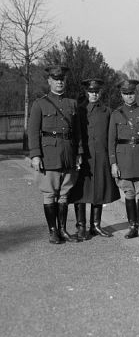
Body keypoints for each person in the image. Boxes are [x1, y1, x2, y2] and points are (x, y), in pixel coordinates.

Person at [27, 65, 83, 244]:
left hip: (68, 153)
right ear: (49, 81)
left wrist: (79, 153)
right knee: (50, 193)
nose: (59, 82)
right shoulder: (39, 104)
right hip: (48, 155)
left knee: (64, 193)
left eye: (62, 79)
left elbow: (78, 132)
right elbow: (33, 131)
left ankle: (63, 229)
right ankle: (53, 231)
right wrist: (35, 155)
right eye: (56, 79)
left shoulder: (72, 103)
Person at [70, 78, 121, 240]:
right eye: (91, 92)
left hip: (101, 156)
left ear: (100, 93)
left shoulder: (107, 111)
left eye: (96, 92)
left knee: (99, 190)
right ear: (86, 92)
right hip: (83, 157)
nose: (94, 94)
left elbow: (111, 136)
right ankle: (81, 227)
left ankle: (95, 225)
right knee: (81, 192)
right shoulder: (79, 110)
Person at [108, 79, 139, 241]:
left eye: (132, 93)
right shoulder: (115, 115)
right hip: (124, 161)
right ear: (122, 95)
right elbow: (111, 142)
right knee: (129, 192)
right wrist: (113, 163)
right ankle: (132, 227)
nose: (129, 97)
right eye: (126, 94)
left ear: (136, 93)